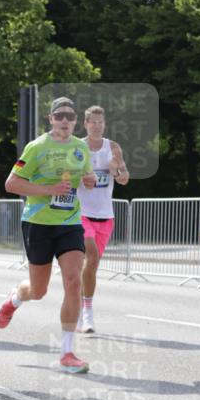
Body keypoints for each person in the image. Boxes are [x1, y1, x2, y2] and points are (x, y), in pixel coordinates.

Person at [0, 97, 96, 374]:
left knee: (74, 281)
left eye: (70, 116)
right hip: (38, 223)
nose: (65, 120)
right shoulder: (37, 147)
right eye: (60, 115)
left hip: (69, 222)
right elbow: (11, 183)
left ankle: (67, 353)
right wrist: (49, 190)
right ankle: (14, 299)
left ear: (76, 121)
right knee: (38, 291)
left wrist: (90, 180)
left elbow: (87, 177)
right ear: (51, 119)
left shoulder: (80, 147)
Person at [77, 105, 129, 332]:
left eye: (101, 122)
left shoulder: (113, 148)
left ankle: (81, 307)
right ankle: (87, 314)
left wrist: (115, 170)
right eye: (93, 122)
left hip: (105, 215)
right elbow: (66, 176)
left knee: (92, 265)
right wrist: (82, 175)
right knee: (92, 256)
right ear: (86, 124)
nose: (97, 126)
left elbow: (125, 179)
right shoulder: (78, 147)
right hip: (81, 213)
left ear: (104, 124)